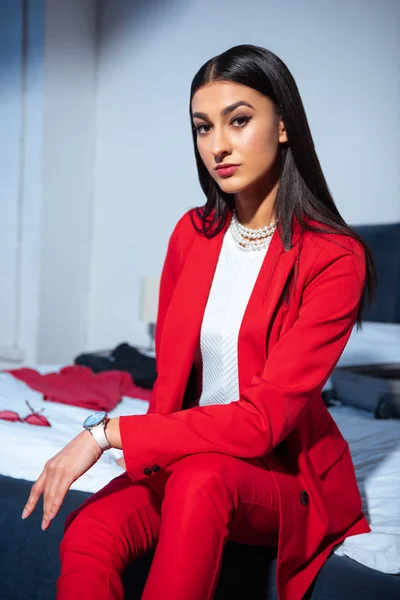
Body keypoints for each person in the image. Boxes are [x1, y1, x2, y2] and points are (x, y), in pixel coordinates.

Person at [21, 44, 376, 600]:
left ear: (283, 125)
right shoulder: (193, 233)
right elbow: (171, 378)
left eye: (238, 121)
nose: (218, 145)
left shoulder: (335, 258)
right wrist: (146, 455)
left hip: (278, 477)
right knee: (90, 531)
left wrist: (108, 432)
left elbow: (261, 422)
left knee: (201, 478)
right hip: (191, 455)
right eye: (202, 127)